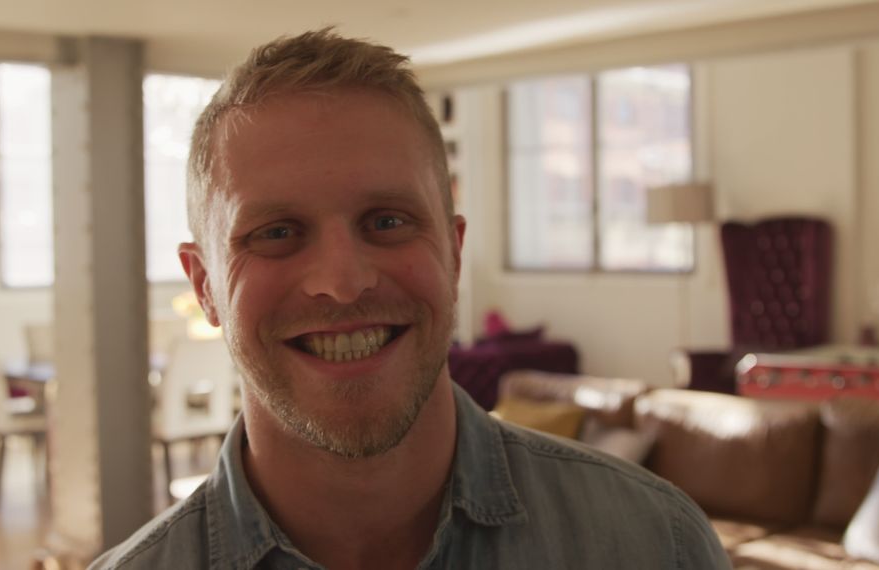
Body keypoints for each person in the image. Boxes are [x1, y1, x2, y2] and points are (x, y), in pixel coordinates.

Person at [91, 28, 730, 570]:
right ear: (205, 285)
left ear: (453, 255)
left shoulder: (654, 545)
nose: (342, 282)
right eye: (278, 233)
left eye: (387, 221)